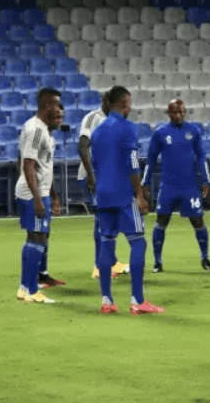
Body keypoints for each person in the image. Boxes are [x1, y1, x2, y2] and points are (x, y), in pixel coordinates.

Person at [91, 86, 164, 315]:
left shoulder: (97, 131)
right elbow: (132, 163)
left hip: (103, 195)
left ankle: (106, 301)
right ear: (124, 103)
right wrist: (139, 194)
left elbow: (95, 164)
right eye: (130, 103)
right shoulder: (128, 128)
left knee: (106, 243)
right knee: (139, 242)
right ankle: (137, 300)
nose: (130, 107)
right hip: (124, 194)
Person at [143, 99, 210, 273]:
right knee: (161, 221)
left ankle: (205, 257)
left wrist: (206, 180)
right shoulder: (160, 133)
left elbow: (201, 156)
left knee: (198, 221)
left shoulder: (193, 131)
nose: (179, 115)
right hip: (168, 186)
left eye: (181, 112)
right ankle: (157, 262)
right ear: (168, 113)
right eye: (175, 112)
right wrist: (145, 182)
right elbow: (151, 159)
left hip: (190, 186)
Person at [16, 88, 64, 303]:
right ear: (46, 105)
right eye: (56, 104)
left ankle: (25, 288)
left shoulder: (44, 130)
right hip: (31, 193)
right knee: (36, 238)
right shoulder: (36, 129)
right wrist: (37, 197)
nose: (59, 109)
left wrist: (53, 195)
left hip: (39, 191)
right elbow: (28, 164)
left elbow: (44, 168)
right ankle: (31, 290)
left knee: (36, 238)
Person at [77, 91, 129, 279]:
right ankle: (100, 266)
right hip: (94, 176)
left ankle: (112, 262)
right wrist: (91, 176)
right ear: (107, 102)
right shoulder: (94, 118)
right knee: (102, 219)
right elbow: (82, 145)